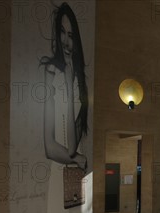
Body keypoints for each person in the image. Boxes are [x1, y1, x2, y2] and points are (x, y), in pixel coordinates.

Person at [40, 2, 89, 171]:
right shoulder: (51, 71)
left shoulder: (79, 82)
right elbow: (50, 147)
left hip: (75, 173)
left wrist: (70, 85)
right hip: (59, 170)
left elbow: (71, 147)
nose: (66, 42)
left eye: (71, 35)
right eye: (61, 32)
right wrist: (77, 159)